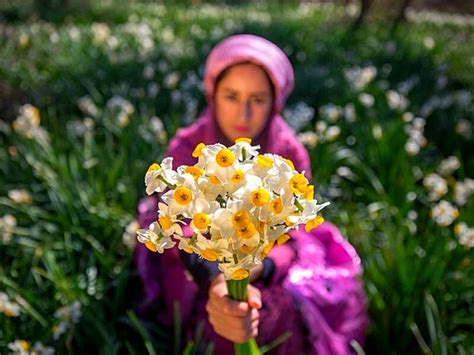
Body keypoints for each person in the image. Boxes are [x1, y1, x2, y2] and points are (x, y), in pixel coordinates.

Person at [134, 34, 368, 354]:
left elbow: (291, 231)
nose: (243, 115)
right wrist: (218, 276)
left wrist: (255, 265)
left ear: (276, 102)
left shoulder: (288, 153)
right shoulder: (190, 147)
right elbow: (183, 228)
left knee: (278, 316)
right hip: (198, 257)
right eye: (231, 96)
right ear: (213, 94)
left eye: (257, 100)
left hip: (267, 254)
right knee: (213, 321)